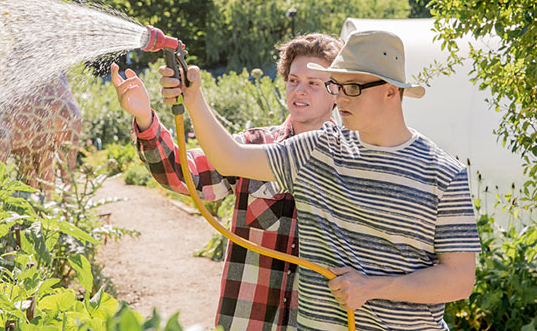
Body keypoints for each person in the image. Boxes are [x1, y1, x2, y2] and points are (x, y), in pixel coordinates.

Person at [156, 30, 481, 330]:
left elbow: (460, 280)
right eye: (337, 87)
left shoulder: (444, 173)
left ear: (391, 91)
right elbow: (232, 158)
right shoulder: (319, 150)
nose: (339, 99)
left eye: (352, 87)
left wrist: (373, 287)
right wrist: (194, 98)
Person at [111, 33, 344, 330]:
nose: (300, 90)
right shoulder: (251, 148)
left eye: (313, 83)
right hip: (248, 322)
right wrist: (145, 119)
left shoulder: (353, 162)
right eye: (293, 80)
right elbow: (184, 173)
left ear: (338, 91)